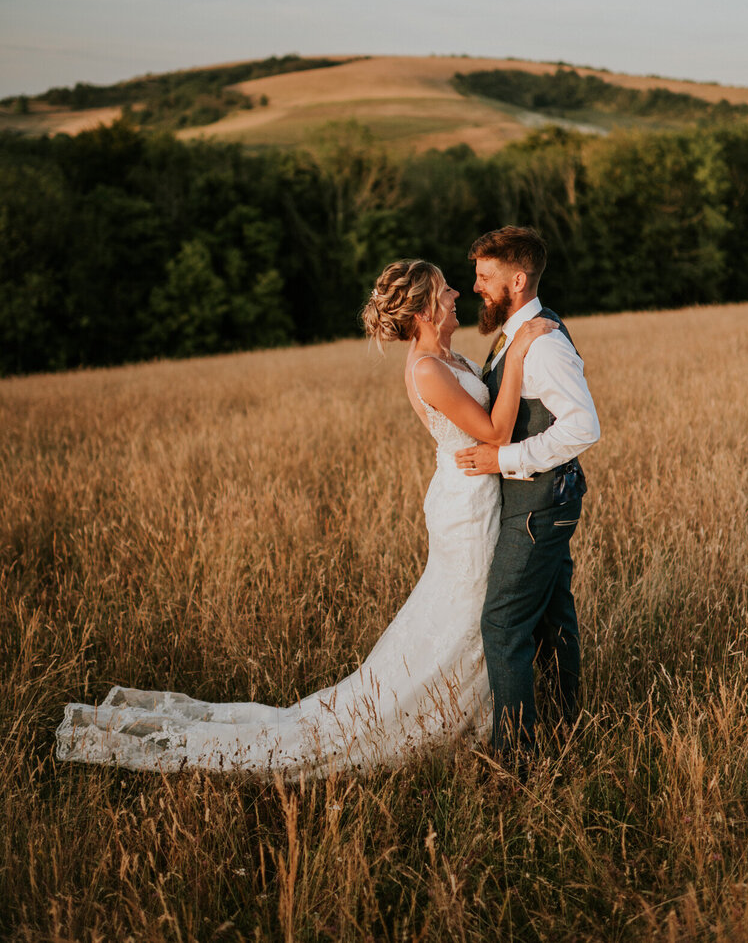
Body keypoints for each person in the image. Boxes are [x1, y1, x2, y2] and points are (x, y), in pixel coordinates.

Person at [56, 259, 555, 778]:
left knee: (468, 614)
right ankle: (449, 721)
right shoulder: (426, 368)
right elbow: (495, 433)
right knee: (470, 612)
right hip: (464, 505)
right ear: (426, 307)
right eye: (446, 289)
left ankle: (483, 715)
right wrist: (520, 349)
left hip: (475, 493)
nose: (457, 294)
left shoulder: (448, 356)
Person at [455, 227, 601, 770]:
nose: (476, 286)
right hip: (541, 502)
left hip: (539, 504)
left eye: (485, 277)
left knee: (503, 623)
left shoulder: (543, 343)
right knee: (552, 616)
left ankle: (516, 760)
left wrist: (504, 460)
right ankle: (567, 723)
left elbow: (584, 427)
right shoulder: (517, 333)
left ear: (517, 280)